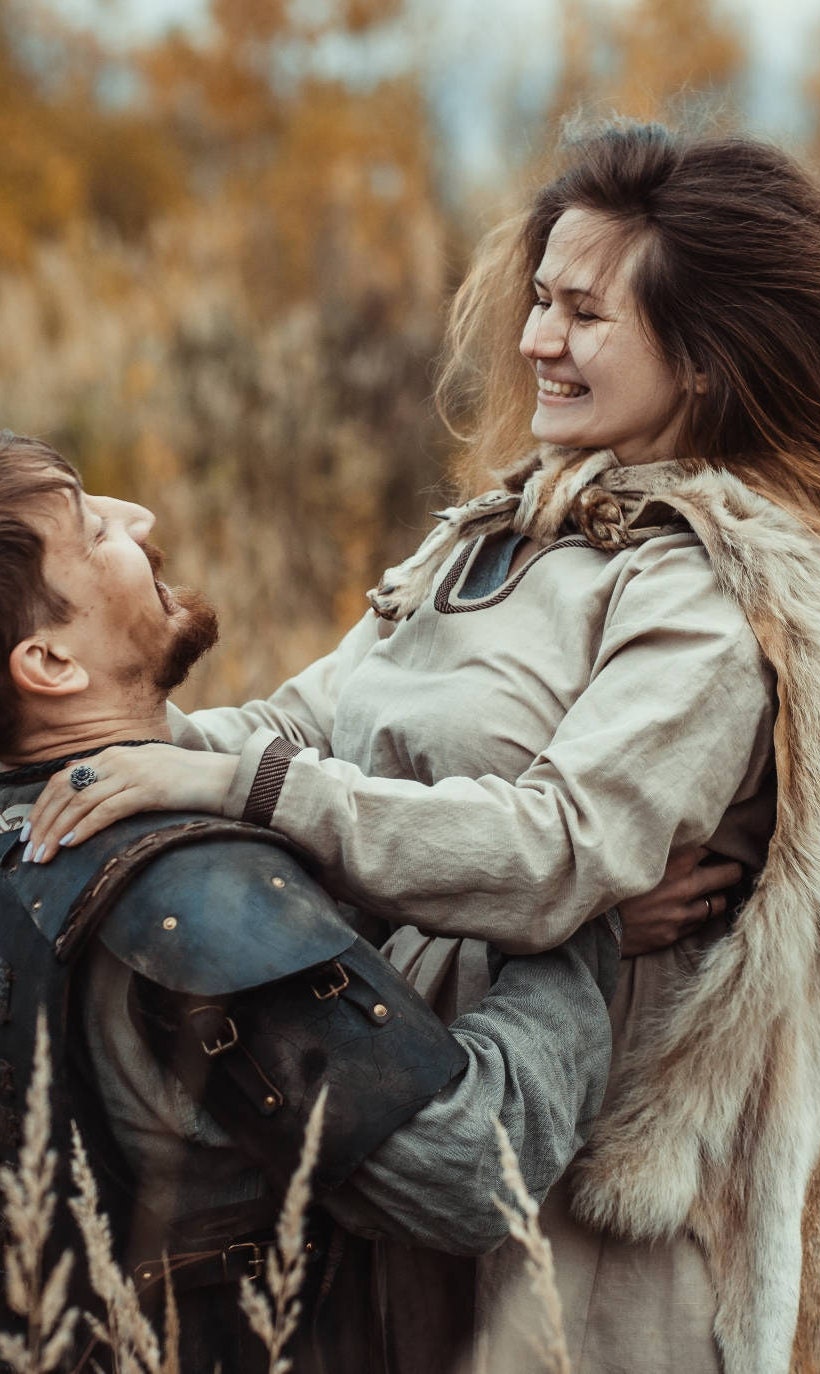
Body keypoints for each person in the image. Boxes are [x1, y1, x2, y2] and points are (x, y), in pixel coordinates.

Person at [24, 123, 820, 1374]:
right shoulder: (500, 536)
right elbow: (307, 728)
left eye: (584, 313)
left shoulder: (718, 592)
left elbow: (562, 851)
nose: (537, 341)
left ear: (702, 360)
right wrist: (94, 748)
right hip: (447, 1110)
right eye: (540, 299)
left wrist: (223, 786)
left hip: (612, 1193)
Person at [0, 434, 627, 1371]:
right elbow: (471, 1173)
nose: (142, 520)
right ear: (48, 663)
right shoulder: (192, 903)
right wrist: (579, 929)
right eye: (95, 533)